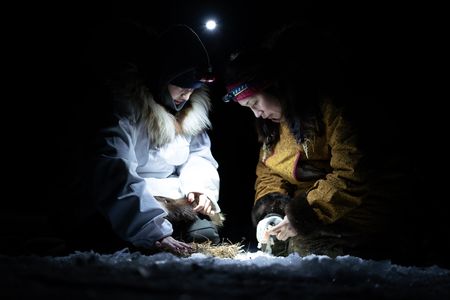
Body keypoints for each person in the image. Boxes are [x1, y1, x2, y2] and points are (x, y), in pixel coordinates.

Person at [222, 24, 423, 263]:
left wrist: (302, 216)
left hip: (359, 208)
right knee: (277, 246)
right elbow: (269, 171)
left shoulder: (335, 108)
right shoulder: (273, 125)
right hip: (314, 208)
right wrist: (272, 212)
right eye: (249, 109)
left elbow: (352, 174)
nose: (257, 114)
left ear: (273, 86)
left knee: (307, 251)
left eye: (255, 103)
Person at [52, 22, 224, 255]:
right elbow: (114, 168)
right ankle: (137, 231)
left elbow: (198, 156)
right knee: (110, 236)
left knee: (205, 234)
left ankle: (167, 227)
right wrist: (152, 230)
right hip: (132, 198)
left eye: (193, 88)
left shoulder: (190, 110)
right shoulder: (125, 107)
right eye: (181, 86)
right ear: (162, 79)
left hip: (173, 195)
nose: (187, 94)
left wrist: (199, 188)